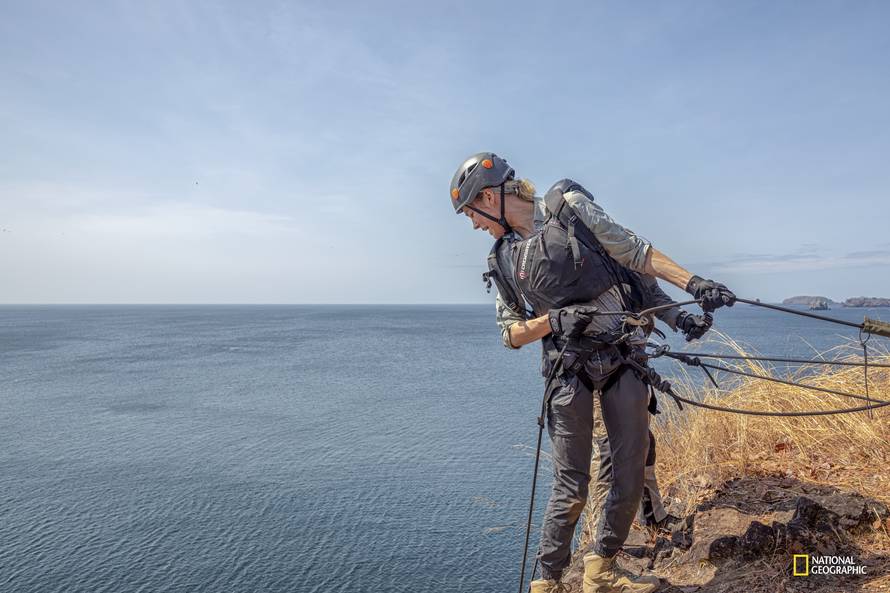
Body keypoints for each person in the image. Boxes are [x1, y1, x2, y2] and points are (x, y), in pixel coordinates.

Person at [449, 152, 735, 593]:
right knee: (571, 484)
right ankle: (547, 582)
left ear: (490, 197)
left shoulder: (568, 208)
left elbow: (633, 252)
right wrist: (553, 321)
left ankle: (601, 569)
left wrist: (693, 285)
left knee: (630, 467)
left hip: (624, 360)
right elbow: (509, 333)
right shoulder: (502, 260)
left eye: (473, 213)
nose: (474, 224)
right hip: (569, 371)